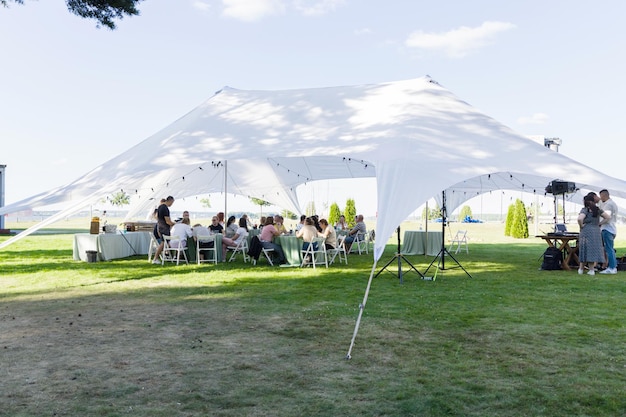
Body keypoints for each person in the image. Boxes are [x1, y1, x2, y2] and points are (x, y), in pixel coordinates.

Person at [577, 194, 610, 275]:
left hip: (586, 231)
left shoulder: (585, 210)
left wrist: (581, 225)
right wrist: (599, 223)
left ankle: (582, 269)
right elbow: (608, 217)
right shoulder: (598, 210)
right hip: (596, 231)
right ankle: (591, 269)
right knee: (592, 249)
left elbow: (580, 218)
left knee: (584, 248)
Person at [599, 189, 618, 274]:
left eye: (601, 196)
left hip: (607, 228)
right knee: (610, 249)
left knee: (609, 249)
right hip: (612, 228)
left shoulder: (608, 205)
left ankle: (612, 267)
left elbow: (607, 217)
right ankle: (613, 266)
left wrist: (599, 223)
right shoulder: (612, 203)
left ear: (604, 195)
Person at [152, 196, 176, 264]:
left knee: (166, 243)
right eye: (172, 202)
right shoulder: (165, 208)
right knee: (163, 243)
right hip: (164, 228)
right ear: (170, 201)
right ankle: (155, 258)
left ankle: (169, 256)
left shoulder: (160, 207)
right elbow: (168, 221)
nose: (171, 204)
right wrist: (174, 223)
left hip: (160, 226)